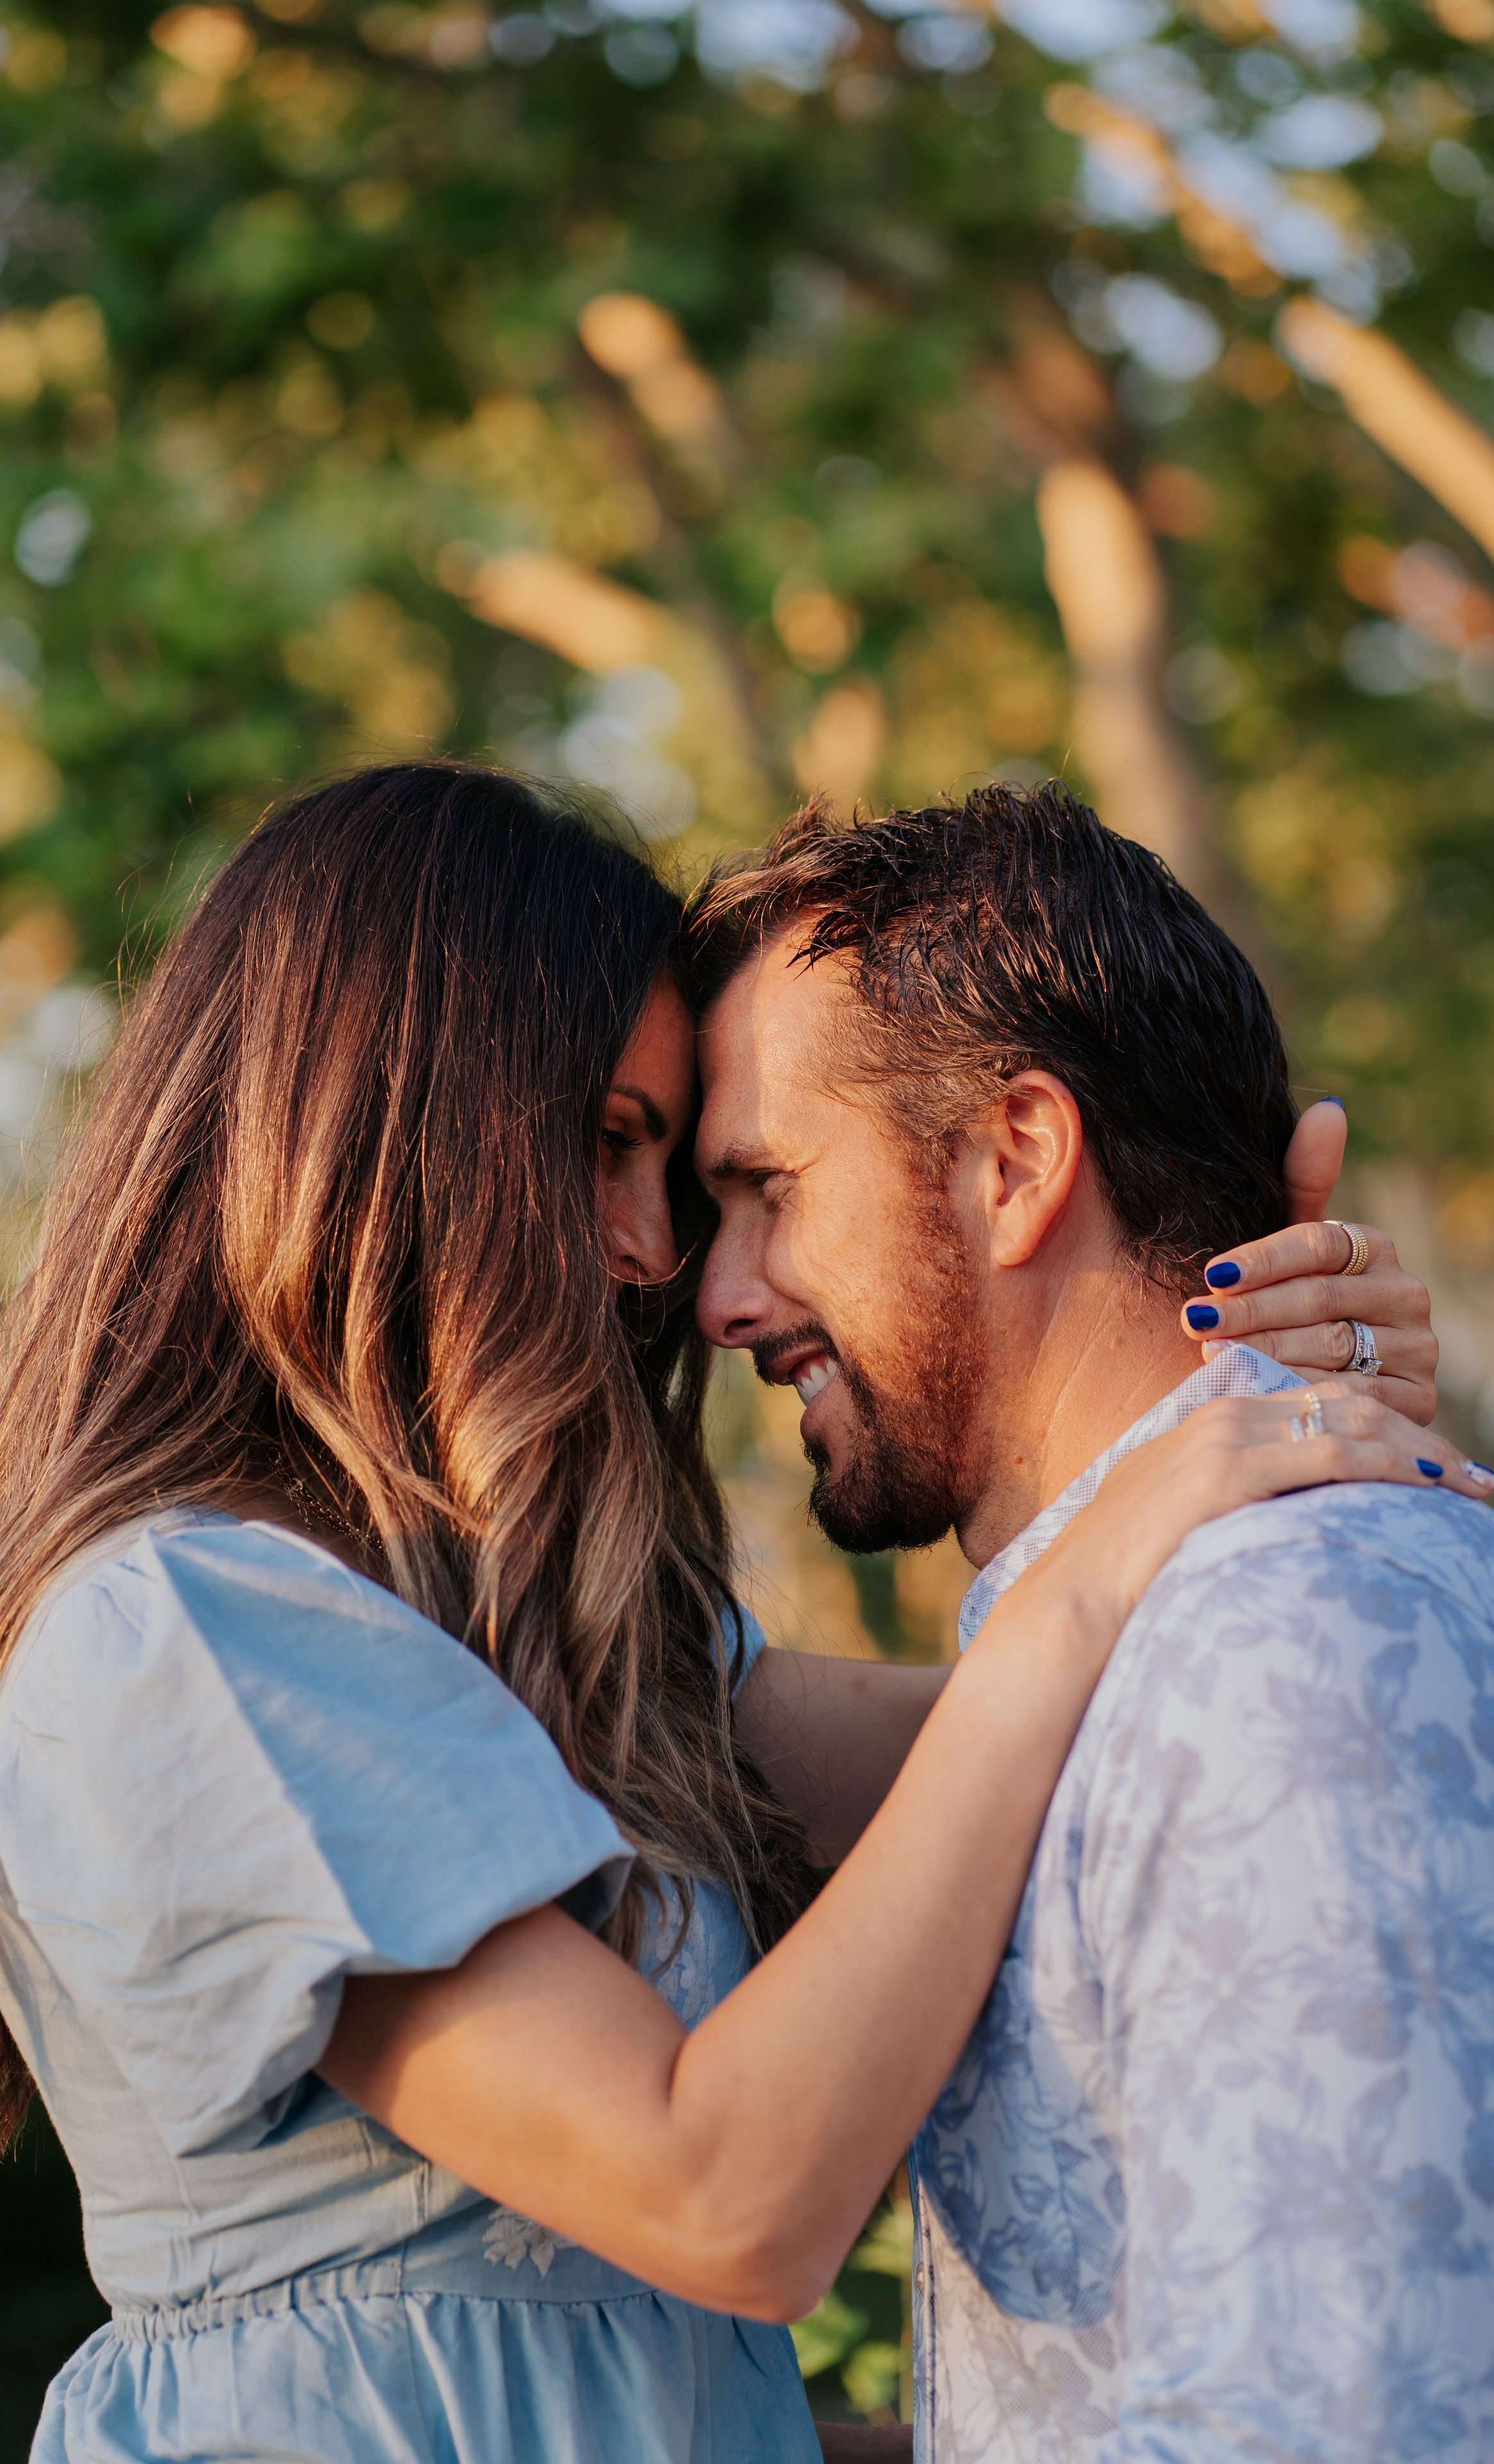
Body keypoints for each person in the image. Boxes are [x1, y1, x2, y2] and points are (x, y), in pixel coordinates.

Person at [0, 765, 1463, 2464]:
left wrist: (1268, 1436)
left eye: (699, 1183)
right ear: (383, 1132)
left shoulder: (515, 1639)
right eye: (611, 1148)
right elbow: (725, 2198)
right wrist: (1096, 1576)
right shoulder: (182, 1635)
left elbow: (1099, 1747)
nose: (657, 1259)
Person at [687, 779, 1494, 2464]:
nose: (724, 1296)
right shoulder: (1143, 1640)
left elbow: (1345, 2419)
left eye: (767, 1187)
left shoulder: (1287, 1640)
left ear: (1017, 1160)